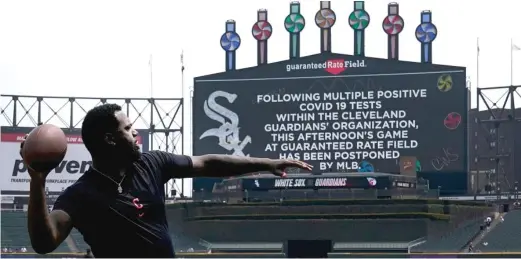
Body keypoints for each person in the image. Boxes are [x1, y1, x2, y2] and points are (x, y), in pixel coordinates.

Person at [24, 103, 312, 258]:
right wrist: (37, 179)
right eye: (128, 128)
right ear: (110, 139)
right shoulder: (81, 195)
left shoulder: (152, 163)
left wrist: (267, 163)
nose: (136, 132)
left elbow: (207, 162)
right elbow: (45, 242)